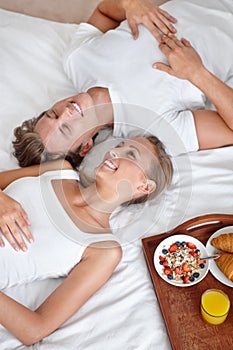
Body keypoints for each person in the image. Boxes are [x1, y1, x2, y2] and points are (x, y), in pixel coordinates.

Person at [12, 0, 233, 168]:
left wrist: (129, 5)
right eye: (67, 129)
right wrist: (198, 74)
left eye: (53, 114)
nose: (66, 112)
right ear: (86, 146)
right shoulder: (156, 129)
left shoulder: (76, 59)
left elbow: (105, 11)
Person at [0, 135, 172, 345]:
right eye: (119, 146)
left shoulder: (103, 250)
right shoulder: (59, 170)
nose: (114, 152)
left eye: (131, 154)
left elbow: (35, 329)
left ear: (144, 187)